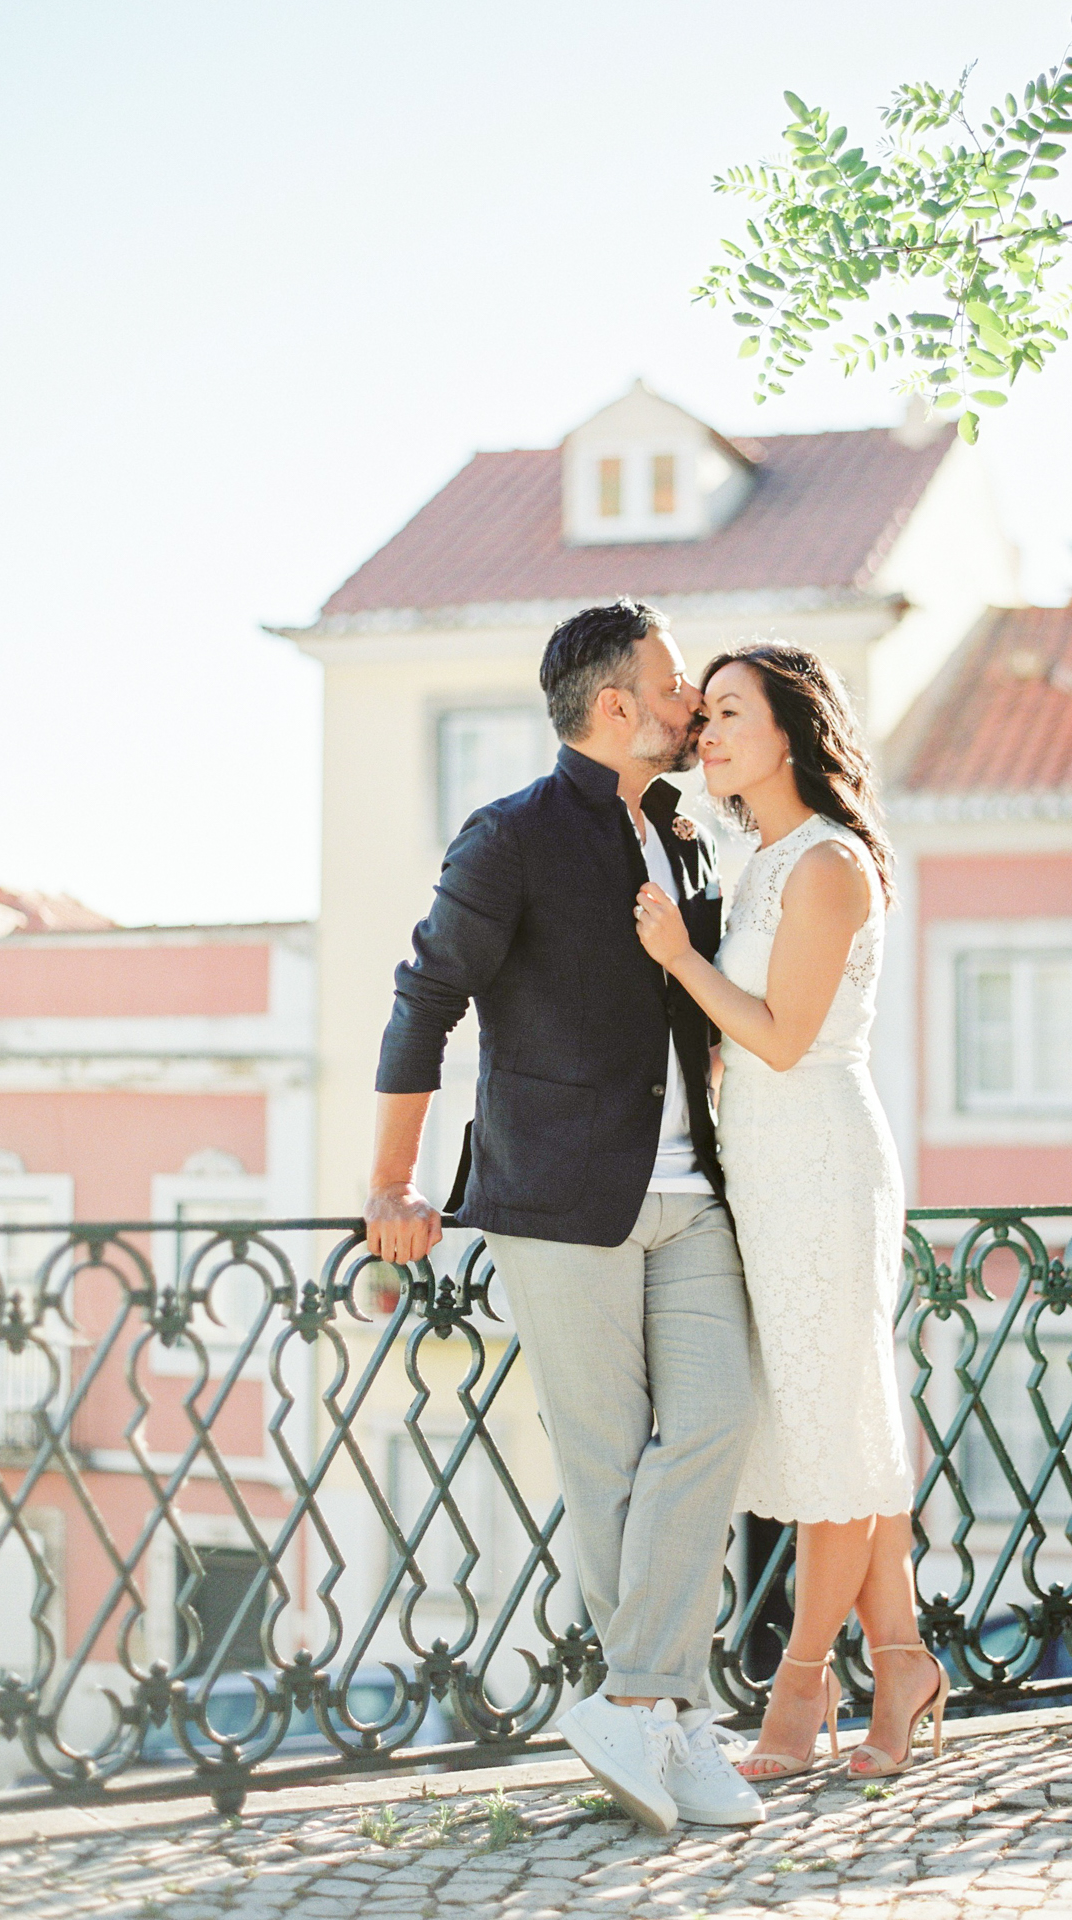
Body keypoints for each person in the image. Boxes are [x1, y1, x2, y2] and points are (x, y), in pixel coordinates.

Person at [363, 599, 761, 1834]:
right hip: (557, 1199)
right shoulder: (512, 837)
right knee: (605, 1469)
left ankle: (635, 1700)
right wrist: (393, 1182)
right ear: (615, 706)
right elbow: (422, 1003)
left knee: (714, 1421)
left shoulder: (682, 837)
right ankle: (672, 1719)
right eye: (677, 682)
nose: (693, 700)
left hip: (693, 1196)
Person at [633, 642, 948, 1781]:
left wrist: (676, 957)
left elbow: (775, 1036)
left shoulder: (827, 865)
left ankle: (800, 1688)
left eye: (726, 713)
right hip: (760, 1170)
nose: (704, 733)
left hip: (819, 1160)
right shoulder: (757, 855)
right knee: (837, 1425)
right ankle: (903, 1662)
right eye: (702, 714)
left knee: (830, 1433)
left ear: (790, 732)